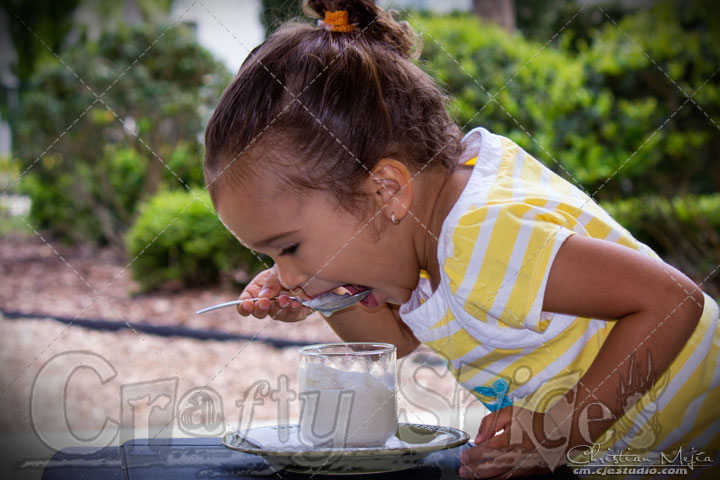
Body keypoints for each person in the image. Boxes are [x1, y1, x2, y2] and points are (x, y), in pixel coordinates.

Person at [203, 0, 720, 477]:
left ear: (386, 191)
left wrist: (561, 430)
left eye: (288, 247)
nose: (284, 274)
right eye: (270, 256)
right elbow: (395, 342)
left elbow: (672, 300)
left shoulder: (481, 242)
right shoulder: (430, 230)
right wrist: (327, 294)